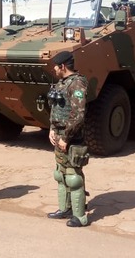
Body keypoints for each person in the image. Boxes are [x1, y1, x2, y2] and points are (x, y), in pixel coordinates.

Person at [47, 51, 90, 227]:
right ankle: (65, 208)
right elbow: (56, 107)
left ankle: (80, 216)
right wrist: (51, 128)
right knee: (61, 174)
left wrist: (65, 137)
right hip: (58, 135)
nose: (54, 69)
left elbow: (78, 115)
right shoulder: (61, 83)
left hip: (71, 137)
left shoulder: (77, 83)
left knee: (73, 177)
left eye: (55, 66)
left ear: (62, 66)